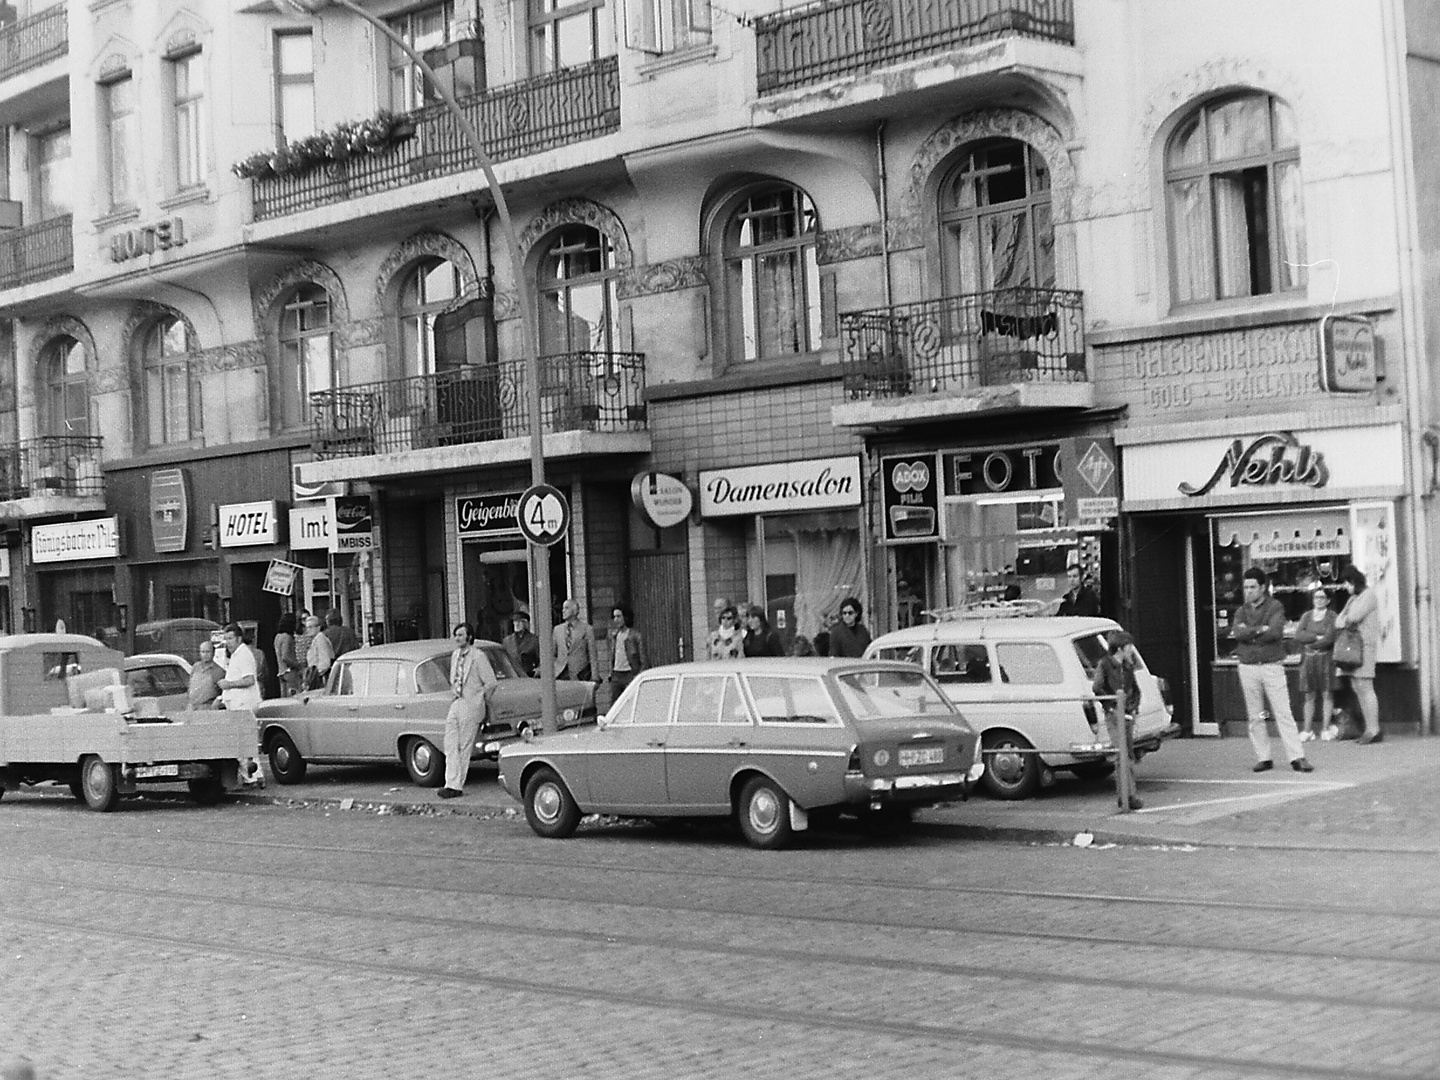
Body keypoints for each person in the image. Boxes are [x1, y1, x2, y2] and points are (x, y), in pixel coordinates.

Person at [1231, 567, 1312, 773]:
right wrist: (1259, 630)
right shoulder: (1241, 610)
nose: (1248, 591)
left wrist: (1249, 633)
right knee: (1255, 715)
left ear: (1262, 587)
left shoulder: (1275, 606)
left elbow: (1275, 632)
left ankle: (1297, 757)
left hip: (1271, 665)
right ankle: (1263, 757)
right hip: (1248, 666)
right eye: (1246, 587)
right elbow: (1237, 633)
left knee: (1283, 712)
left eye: (1252, 587)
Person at [438, 622, 496, 799]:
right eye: (456, 635)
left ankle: (456, 785)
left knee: (464, 746)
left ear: (469, 637)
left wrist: (479, 699)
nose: (457, 638)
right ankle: (449, 782)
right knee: (450, 743)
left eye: (461, 635)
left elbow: (491, 683)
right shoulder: (455, 655)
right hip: (457, 701)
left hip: (471, 704)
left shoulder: (478, 656)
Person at [1090, 630, 1143, 810]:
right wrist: (1112, 706)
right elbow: (1097, 687)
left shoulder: (1127, 666)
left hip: (1127, 713)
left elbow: (1135, 689)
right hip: (1114, 715)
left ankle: (1128, 795)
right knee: (1123, 755)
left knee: (1127, 754)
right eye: (1128, 646)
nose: (1131, 650)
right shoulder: (1105, 665)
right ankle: (1127, 796)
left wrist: (1134, 707)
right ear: (1120, 648)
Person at [1335, 565, 1383, 744]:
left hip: (1364, 647)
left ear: (1354, 581)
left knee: (1365, 686)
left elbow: (1353, 616)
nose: (1346, 588)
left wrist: (1347, 618)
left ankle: (1374, 729)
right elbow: (1339, 621)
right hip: (1354, 648)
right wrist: (1346, 618)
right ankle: (1369, 729)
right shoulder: (1354, 598)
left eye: (1347, 583)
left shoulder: (1368, 596)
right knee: (1357, 686)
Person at [216, 623, 264, 787]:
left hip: (244, 704)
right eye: (226, 639)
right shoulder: (236, 655)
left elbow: (249, 679)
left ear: (238, 638)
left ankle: (253, 777)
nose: (228, 642)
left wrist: (228, 685)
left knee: (244, 742)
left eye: (230, 638)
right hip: (236, 704)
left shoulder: (243, 654)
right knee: (243, 742)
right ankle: (253, 776)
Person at [1293, 586, 1337, 742]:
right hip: (1309, 660)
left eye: (1322, 597)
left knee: (1327, 693)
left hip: (1326, 659)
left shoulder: (1332, 616)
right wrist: (1315, 638)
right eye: (1316, 597)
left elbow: (1330, 638)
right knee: (1309, 695)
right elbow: (1298, 635)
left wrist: (1311, 642)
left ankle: (1325, 729)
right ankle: (1307, 730)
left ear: (1328, 600)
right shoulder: (1306, 616)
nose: (1318, 600)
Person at [554, 597, 598, 682]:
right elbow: (552, 654)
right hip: (561, 674)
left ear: (575, 611)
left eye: (566, 608)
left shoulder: (587, 629)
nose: (563, 610)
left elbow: (592, 655)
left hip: (580, 673)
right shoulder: (557, 630)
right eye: (563, 608)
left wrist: (595, 677)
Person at [606, 604, 647, 695]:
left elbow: (643, 658)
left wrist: (639, 675)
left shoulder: (635, 635)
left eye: (619, 616)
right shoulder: (614, 636)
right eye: (614, 617)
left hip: (630, 673)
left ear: (625, 617)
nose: (616, 620)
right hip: (616, 674)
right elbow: (611, 656)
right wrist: (610, 674)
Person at [187, 639, 225, 710]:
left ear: (213, 653)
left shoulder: (218, 671)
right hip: (191, 707)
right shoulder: (195, 667)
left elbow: (223, 693)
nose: (205, 655)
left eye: (208, 652)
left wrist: (217, 702)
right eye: (203, 652)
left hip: (207, 708)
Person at [503, 609, 540, 677]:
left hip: (530, 675)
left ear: (526, 624)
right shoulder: (507, 641)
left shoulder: (534, 640)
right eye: (515, 621)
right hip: (512, 676)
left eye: (520, 621)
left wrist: (538, 671)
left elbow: (541, 659)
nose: (517, 624)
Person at [273, 612, 302, 697]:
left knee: (284, 698)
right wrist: (297, 665)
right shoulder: (287, 638)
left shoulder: (277, 637)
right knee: (294, 697)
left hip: (281, 671)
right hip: (290, 671)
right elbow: (285, 657)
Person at [305, 614, 335, 690]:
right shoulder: (316, 639)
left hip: (320, 680)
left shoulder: (320, 639)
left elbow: (325, 663)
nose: (308, 630)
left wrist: (314, 676)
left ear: (318, 627)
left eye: (311, 627)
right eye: (307, 627)